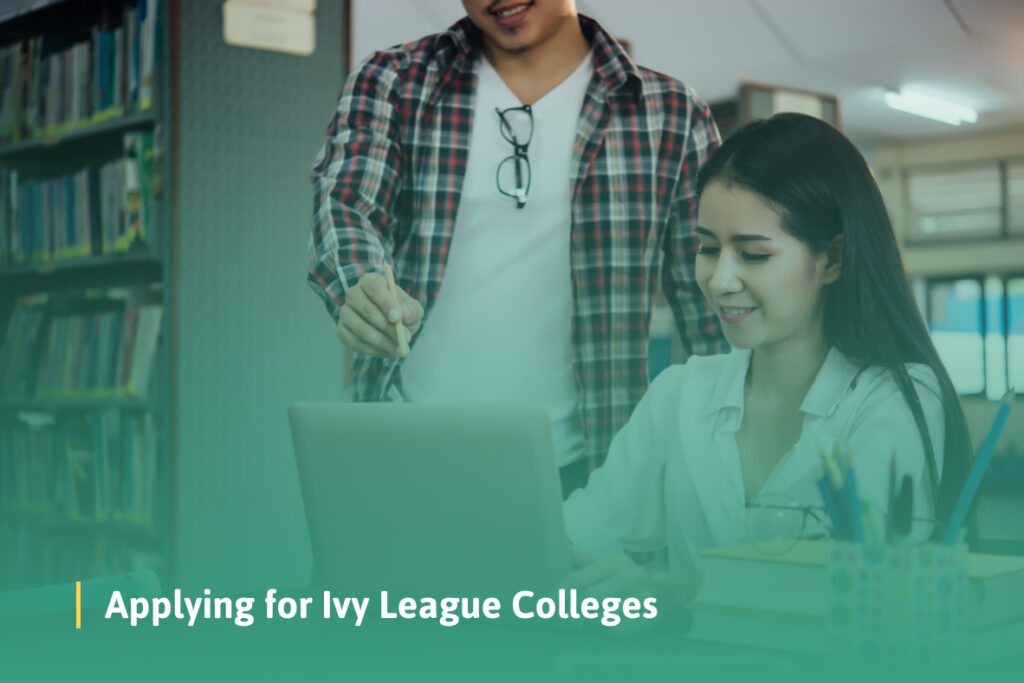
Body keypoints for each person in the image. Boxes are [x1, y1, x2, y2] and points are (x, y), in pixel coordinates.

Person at [307, 1, 725, 495]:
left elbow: (712, 315)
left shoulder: (671, 114)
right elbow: (348, 204)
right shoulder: (393, 81)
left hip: (588, 477)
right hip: (398, 457)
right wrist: (359, 283)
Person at [562, 113, 972, 607]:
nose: (719, 281)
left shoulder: (896, 396)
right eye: (708, 248)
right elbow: (573, 535)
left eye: (753, 255)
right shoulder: (680, 394)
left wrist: (666, 595)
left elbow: (861, 586)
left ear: (833, 260)